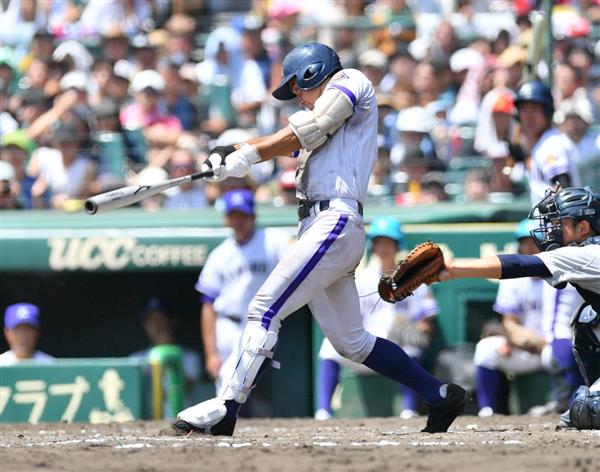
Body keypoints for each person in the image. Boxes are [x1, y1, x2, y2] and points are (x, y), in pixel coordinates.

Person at [173, 42, 468, 437]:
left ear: (315, 70)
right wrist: (233, 155)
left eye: (298, 85)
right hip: (319, 225)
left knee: (264, 308)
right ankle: (439, 392)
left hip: (335, 219)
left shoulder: (351, 81)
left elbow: (308, 130)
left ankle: (226, 407)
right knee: (352, 343)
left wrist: (247, 153)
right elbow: (293, 137)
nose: (297, 94)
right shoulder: (323, 115)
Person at [432, 187, 600, 430]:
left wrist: (454, 268)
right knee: (588, 319)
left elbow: (518, 264)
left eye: (560, 222)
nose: (551, 229)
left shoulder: (586, 254)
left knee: (588, 410)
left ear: (583, 228)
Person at [316, 216, 439, 420]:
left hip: (397, 350)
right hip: (367, 347)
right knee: (329, 346)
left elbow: (426, 323)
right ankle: (323, 410)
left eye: (388, 242)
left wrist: (414, 330)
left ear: (397, 244)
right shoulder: (361, 279)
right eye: (379, 242)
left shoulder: (414, 279)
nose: (383, 247)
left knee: (409, 345)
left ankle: (408, 409)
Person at [474, 219, 583, 417]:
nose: (528, 247)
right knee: (486, 349)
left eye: (533, 241)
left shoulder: (561, 272)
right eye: (524, 242)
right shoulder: (513, 279)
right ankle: (487, 410)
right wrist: (512, 338)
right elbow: (510, 321)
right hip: (526, 347)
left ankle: (567, 405)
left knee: (558, 353)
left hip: (556, 346)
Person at [194, 189, 288, 394]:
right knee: (227, 381)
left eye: (242, 215)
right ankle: (226, 423)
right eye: (233, 215)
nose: (238, 221)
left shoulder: (272, 240)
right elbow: (208, 305)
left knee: (233, 380)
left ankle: (222, 421)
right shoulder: (220, 254)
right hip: (226, 325)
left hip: (258, 325)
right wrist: (211, 353)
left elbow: (296, 257)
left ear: (252, 215)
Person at [129, 297, 201, 415]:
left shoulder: (190, 357)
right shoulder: (135, 359)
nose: (157, 326)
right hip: (143, 424)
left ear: (172, 321)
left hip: (180, 420)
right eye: (151, 321)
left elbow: (182, 389)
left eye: (161, 319)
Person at [514, 80, 581, 204]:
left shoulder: (552, 144)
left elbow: (562, 189)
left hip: (558, 221)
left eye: (535, 109)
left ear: (548, 111)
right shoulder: (544, 143)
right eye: (524, 109)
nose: (529, 116)